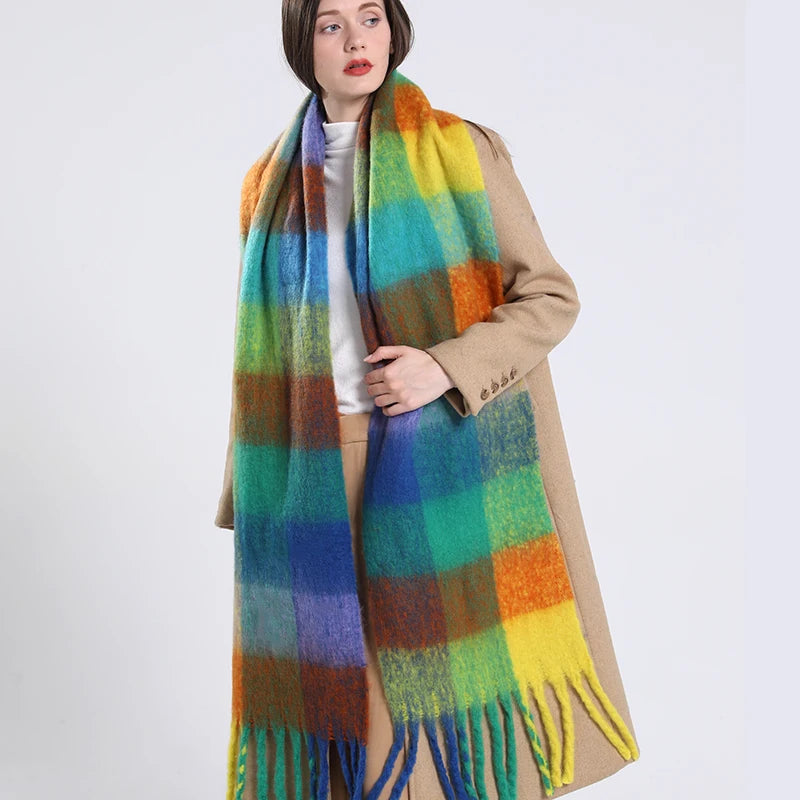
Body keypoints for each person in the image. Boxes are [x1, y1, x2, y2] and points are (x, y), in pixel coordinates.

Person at [214, 1, 640, 799]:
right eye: (331, 23)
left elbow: (550, 297)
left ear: (394, 29)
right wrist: (246, 488)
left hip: (443, 461)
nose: (356, 39)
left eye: (371, 17)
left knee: (432, 709)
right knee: (337, 709)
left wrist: (443, 367)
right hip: (311, 474)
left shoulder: (462, 153)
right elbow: (258, 348)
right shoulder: (266, 185)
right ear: (303, 42)